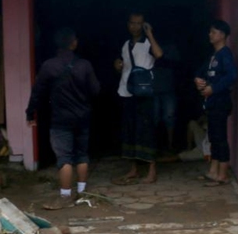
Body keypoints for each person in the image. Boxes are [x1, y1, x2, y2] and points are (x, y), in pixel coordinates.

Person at [26, 27, 101, 210]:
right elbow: (96, 90)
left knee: (64, 158)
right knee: (82, 154)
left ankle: (65, 195)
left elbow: (37, 93)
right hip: (82, 117)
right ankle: (82, 192)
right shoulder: (84, 65)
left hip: (60, 120)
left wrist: (30, 113)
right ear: (73, 43)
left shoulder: (49, 66)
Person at [114, 11, 163, 185]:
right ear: (128, 24)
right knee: (130, 130)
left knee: (146, 130)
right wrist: (117, 65)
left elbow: (159, 54)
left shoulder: (148, 42)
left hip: (144, 93)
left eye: (139, 23)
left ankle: (151, 171)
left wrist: (150, 34)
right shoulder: (126, 44)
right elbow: (123, 65)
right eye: (132, 23)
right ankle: (133, 170)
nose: (135, 26)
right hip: (127, 91)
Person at [194, 19, 237, 186]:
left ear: (222, 35)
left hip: (221, 101)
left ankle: (223, 174)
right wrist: (198, 80)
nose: (210, 35)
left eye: (213, 32)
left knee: (220, 138)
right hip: (212, 102)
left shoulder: (225, 54)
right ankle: (213, 171)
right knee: (213, 136)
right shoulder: (213, 56)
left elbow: (232, 76)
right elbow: (200, 72)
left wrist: (214, 88)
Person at [153, 41, 180, 152]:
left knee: (169, 117)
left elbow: (176, 64)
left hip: (168, 88)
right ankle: (152, 146)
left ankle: (170, 145)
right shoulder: (147, 45)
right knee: (153, 118)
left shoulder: (171, 47)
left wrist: (159, 59)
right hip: (152, 88)